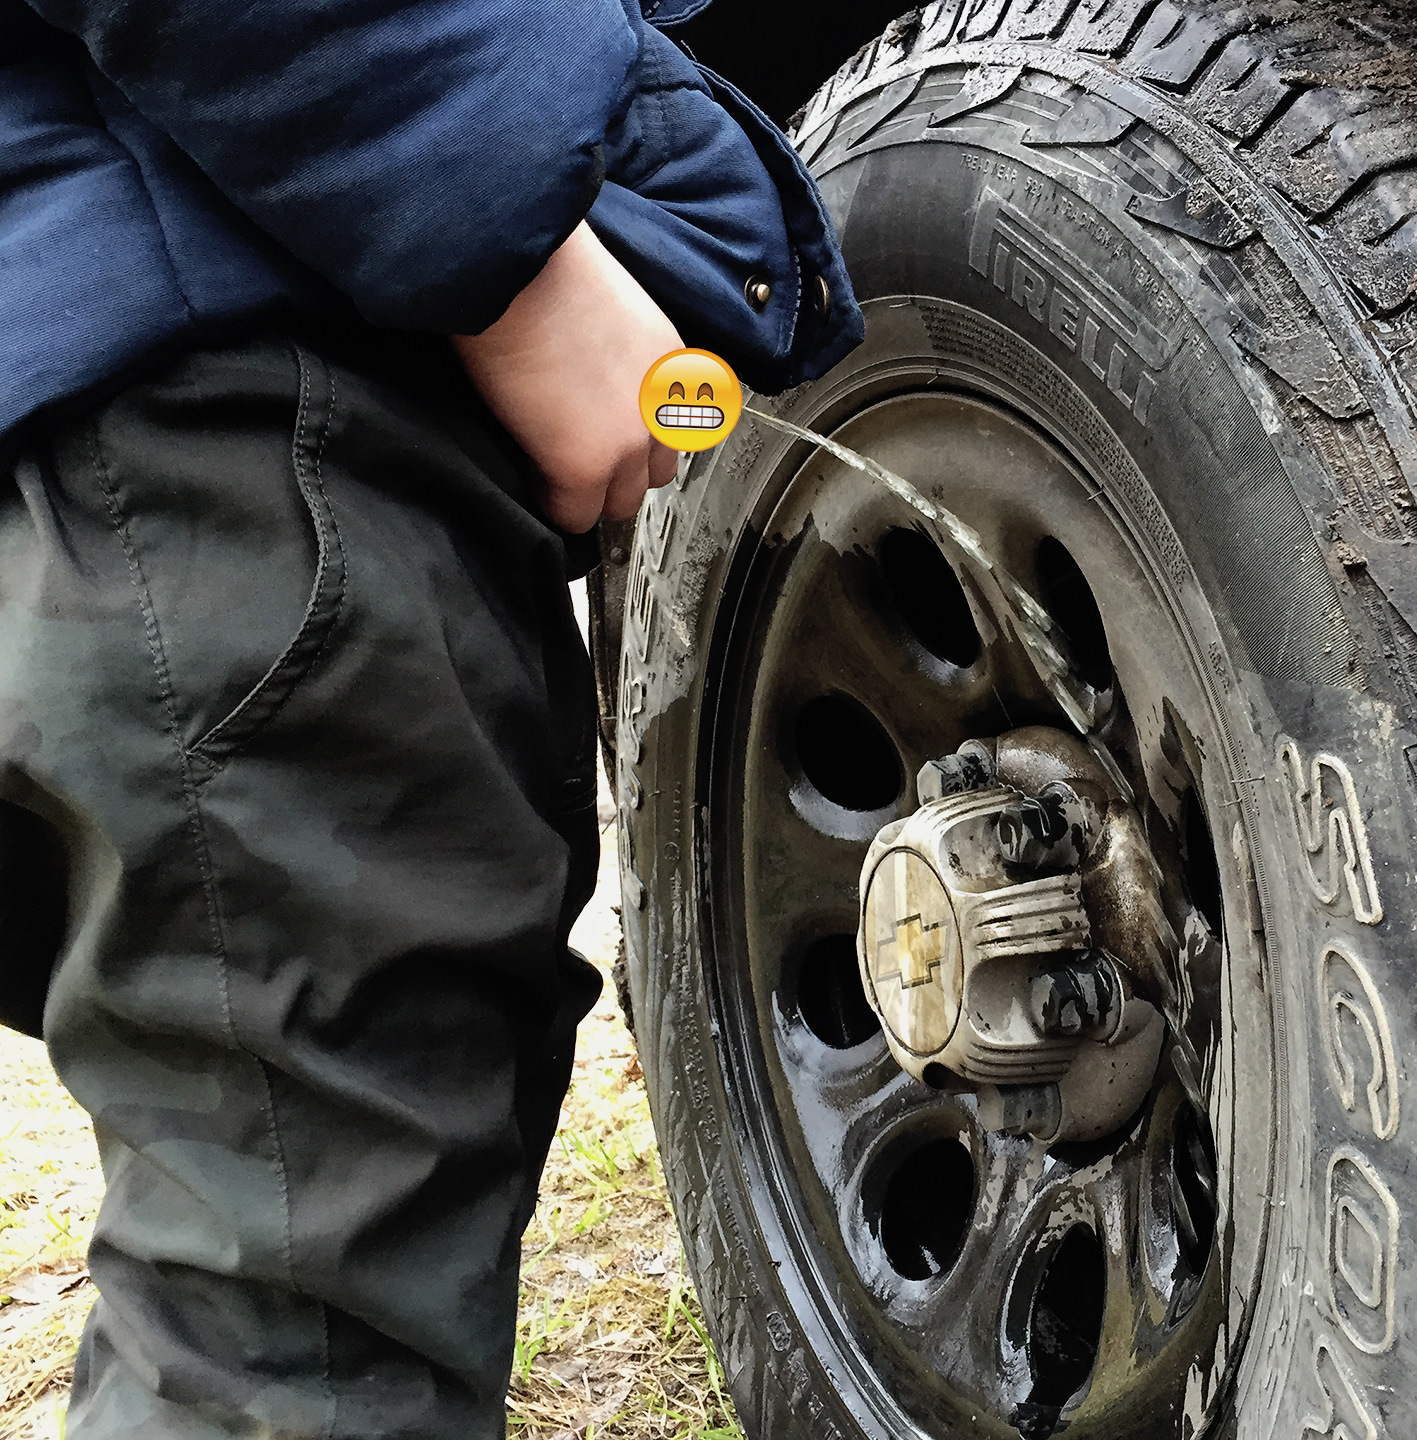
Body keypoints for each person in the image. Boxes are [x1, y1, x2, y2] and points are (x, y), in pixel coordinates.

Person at [0, 0, 863, 1433]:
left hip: (119, 447)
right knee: (299, 1351)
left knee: (295, 1214)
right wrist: (511, 259)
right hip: (212, 455)